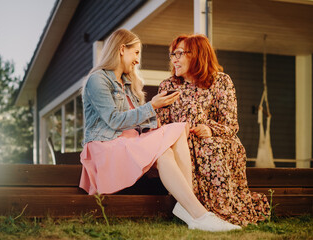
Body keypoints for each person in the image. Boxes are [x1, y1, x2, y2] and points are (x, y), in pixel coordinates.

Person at [79, 29, 241, 232]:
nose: (138, 60)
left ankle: (188, 209)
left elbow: (140, 123)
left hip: (129, 143)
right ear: (122, 50)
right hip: (106, 147)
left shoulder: (129, 84)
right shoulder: (98, 80)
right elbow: (113, 120)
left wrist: (159, 119)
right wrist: (152, 106)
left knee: (177, 130)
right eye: (136, 52)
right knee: (168, 140)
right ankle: (197, 213)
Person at [156, 34, 270, 226]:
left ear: (198, 54)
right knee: (198, 148)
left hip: (215, 138)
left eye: (179, 53)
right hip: (180, 142)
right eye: (172, 54)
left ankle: (217, 212)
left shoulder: (221, 81)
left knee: (211, 148)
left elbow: (231, 124)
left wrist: (210, 129)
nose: (174, 59)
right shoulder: (168, 86)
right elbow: (163, 124)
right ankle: (196, 211)